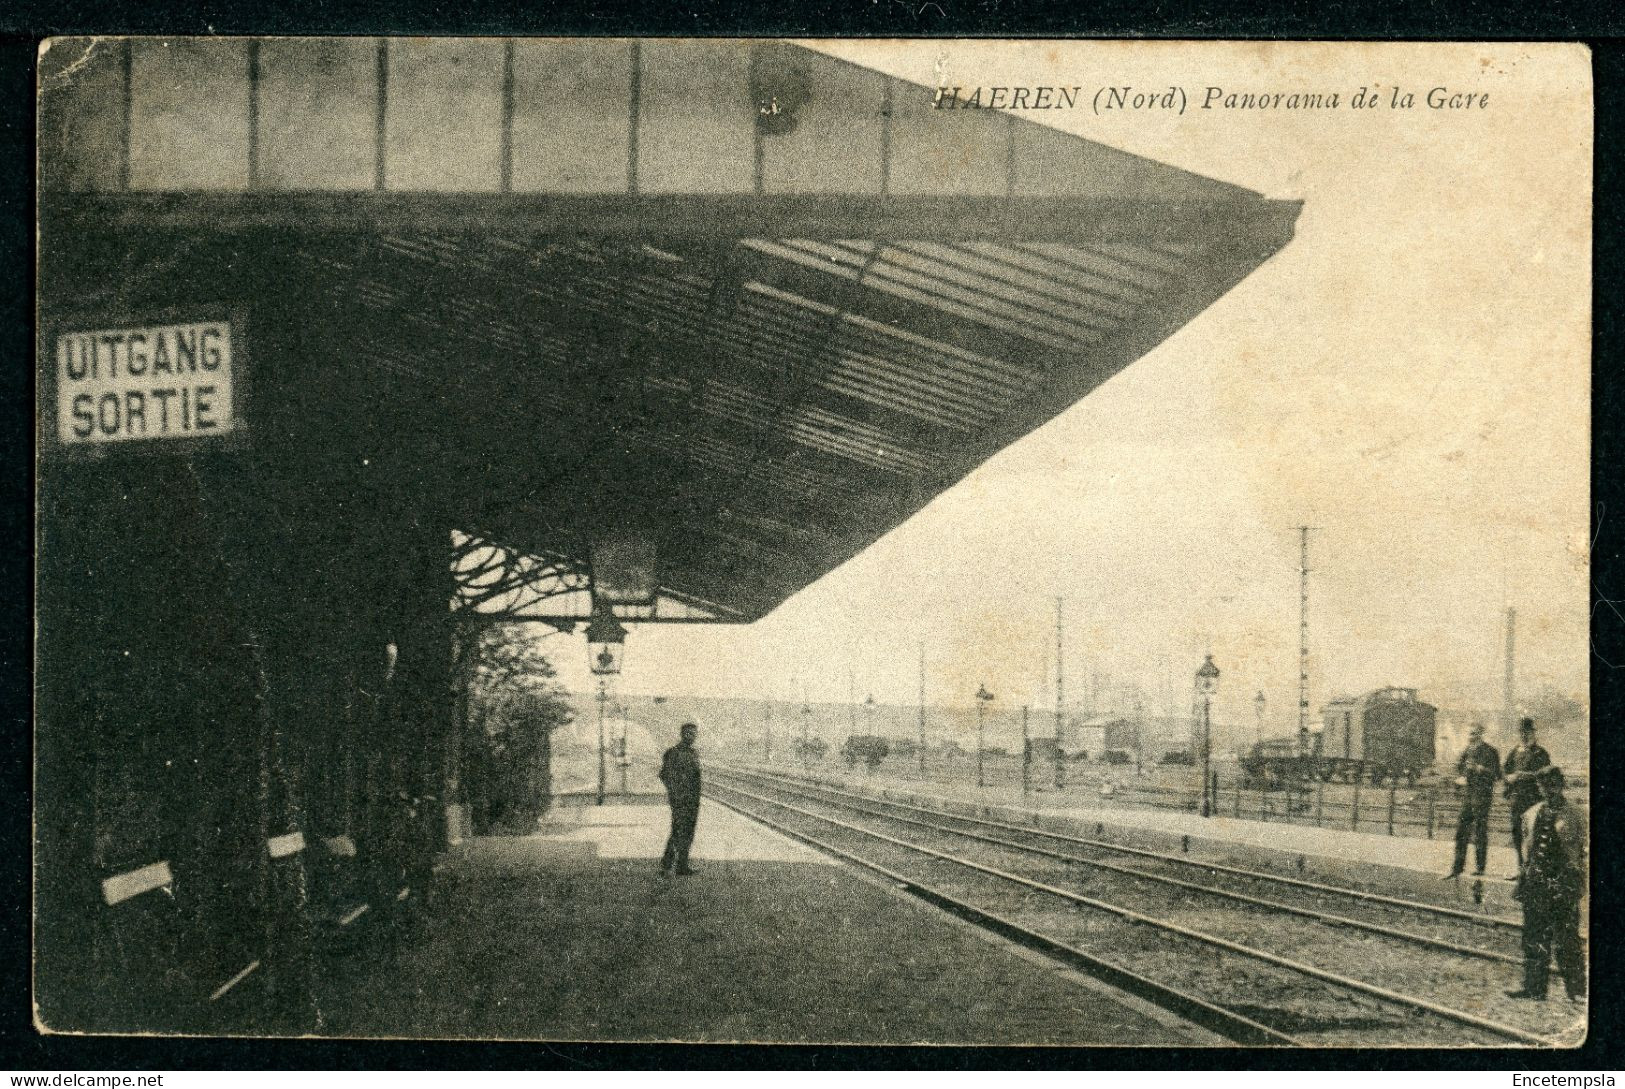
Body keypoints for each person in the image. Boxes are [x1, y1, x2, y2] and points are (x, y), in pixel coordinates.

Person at [1506, 765, 1586, 1001]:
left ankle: (1578, 991)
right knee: (1533, 938)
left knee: (1567, 940)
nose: (1548, 791)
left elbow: (1584, 852)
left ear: (1561, 785)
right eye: (1543, 786)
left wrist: (1578, 880)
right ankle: (1534, 988)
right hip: (1536, 884)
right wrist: (1524, 875)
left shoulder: (1576, 815)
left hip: (1564, 884)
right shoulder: (1531, 814)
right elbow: (1525, 850)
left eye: (1553, 785)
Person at [1444, 723, 1500, 878]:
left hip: (1483, 796)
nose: (1471, 737)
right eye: (1469, 734)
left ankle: (1480, 868)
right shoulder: (1467, 751)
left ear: (1481, 734)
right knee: (1461, 830)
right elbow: (1459, 768)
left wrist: (1482, 770)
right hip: (1469, 796)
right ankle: (1457, 868)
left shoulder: (1490, 751)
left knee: (1480, 832)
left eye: (1474, 734)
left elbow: (1497, 775)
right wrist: (1460, 778)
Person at [1502, 717, 1552, 867]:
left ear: (1532, 733)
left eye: (1527, 732)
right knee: (1516, 830)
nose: (1524, 735)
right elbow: (1505, 770)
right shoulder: (1515, 752)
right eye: (1521, 732)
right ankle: (1520, 864)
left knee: (1533, 832)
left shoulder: (1540, 752)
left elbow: (1547, 773)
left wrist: (1525, 775)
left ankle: (1533, 865)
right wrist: (1508, 778)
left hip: (1533, 798)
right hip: (1517, 797)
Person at [658, 721, 702, 876]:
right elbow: (664, 775)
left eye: (694, 734)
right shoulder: (673, 753)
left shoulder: (693, 753)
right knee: (678, 831)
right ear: (682, 734)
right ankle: (666, 865)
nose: (692, 737)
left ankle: (682, 865)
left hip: (693, 800)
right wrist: (675, 793)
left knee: (688, 832)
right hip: (680, 800)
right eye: (689, 733)